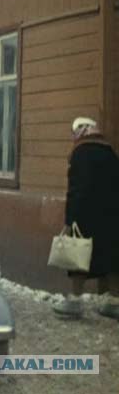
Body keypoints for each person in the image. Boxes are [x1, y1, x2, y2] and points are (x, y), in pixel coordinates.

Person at [53, 117, 119, 319]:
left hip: (85, 215)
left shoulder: (79, 152)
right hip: (112, 215)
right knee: (112, 258)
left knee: (77, 255)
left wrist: (69, 219)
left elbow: (76, 189)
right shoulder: (110, 151)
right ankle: (115, 302)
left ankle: (74, 301)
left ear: (80, 131)